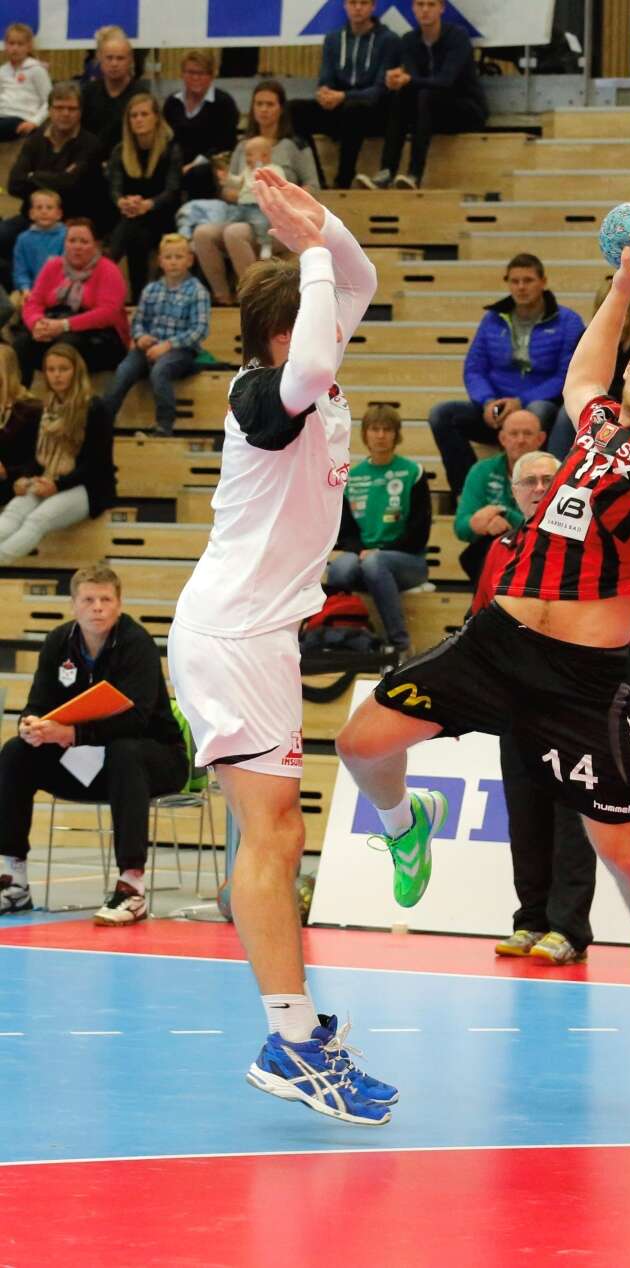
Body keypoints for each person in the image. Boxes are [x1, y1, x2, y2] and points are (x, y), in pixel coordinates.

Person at [333, 240, 630, 1056]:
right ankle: (404, 824)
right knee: (360, 743)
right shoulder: (595, 422)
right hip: (496, 644)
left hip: (579, 679)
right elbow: (580, 377)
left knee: (621, 850)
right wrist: (623, 288)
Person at [168, 172, 394, 1126]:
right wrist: (307, 259)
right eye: (316, 321)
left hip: (259, 637)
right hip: (233, 636)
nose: (336, 332)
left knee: (281, 834)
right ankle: (293, 1042)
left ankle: (296, 1033)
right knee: (273, 837)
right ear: (279, 332)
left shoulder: (317, 383)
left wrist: (322, 226)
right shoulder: (262, 394)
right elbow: (306, 359)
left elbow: (363, 278)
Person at [0, 564, 189, 923]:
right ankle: (14, 881)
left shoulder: (136, 643)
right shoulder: (59, 642)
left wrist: (73, 734)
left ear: (119, 604)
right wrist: (30, 724)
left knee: (125, 751)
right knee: (15, 752)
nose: (97, 607)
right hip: (86, 765)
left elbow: (137, 719)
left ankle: (131, 888)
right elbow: (38, 703)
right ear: (73, 604)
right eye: (88, 600)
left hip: (155, 760)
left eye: (106, 599)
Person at [472, 450, 601, 966]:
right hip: (516, 699)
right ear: (514, 490)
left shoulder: (587, 542)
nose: (540, 488)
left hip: (573, 699)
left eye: (550, 479)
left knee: (572, 816)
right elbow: (480, 619)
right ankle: (531, 920)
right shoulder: (501, 548)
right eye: (530, 481)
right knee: (524, 816)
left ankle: (569, 928)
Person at [427, 253, 583, 494]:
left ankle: (538, 492)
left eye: (528, 280)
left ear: (543, 282)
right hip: (497, 409)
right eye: (515, 281)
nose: (521, 287)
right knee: (441, 414)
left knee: (536, 411)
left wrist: (520, 402)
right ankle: (469, 492)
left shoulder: (568, 321)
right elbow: (474, 368)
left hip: (543, 407)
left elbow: (566, 375)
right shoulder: (492, 319)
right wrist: (487, 401)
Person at [191, 82, 320, 306]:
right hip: (244, 211)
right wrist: (241, 191)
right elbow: (229, 190)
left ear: (281, 108)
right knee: (202, 233)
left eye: (270, 104)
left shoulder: (295, 145)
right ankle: (223, 297)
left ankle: (256, 299)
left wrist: (283, 196)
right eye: (259, 104)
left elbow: (313, 186)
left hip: (279, 220)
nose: (264, 109)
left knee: (234, 233)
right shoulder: (243, 146)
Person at [328, 405, 433, 658]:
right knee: (339, 568)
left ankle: (400, 645)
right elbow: (346, 533)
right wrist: (361, 550)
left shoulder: (413, 472)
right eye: (375, 429)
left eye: (387, 429)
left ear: (397, 435)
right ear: (365, 434)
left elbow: (419, 533)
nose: (381, 435)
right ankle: (345, 638)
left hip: (409, 562)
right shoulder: (353, 477)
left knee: (375, 563)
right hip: (365, 558)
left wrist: (379, 551)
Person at [0, 342, 115, 562]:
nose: (57, 375)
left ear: (76, 371)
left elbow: (96, 464)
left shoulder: (94, 408)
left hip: (86, 487)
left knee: (37, 520)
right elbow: (37, 458)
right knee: (14, 511)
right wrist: (24, 478)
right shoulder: (46, 408)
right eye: (51, 370)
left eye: (63, 369)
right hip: (48, 479)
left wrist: (58, 485)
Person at [363, 0, 489, 191]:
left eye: (431, 4)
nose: (425, 10)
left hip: (466, 110)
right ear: (413, 8)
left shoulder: (457, 37)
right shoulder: (409, 40)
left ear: (441, 8)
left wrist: (408, 80)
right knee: (401, 96)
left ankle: (414, 174)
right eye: (420, 4)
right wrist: (396, 80)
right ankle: (386, 171)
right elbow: (413, 80)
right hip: (428, 114)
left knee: (425, 96)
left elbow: (446, 81)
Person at [101, 235, 209, 436]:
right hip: (149, 347)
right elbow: (138, 321)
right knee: (124, 370)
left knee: (160, 370)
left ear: (189, 260)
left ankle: (164, 425)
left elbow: (199, 330)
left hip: (181, 351)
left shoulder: (197, 291)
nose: (173, 262)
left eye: (179, 257)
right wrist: (140, 337)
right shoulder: (151, 289)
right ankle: (103, 422)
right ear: (160, 261)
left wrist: (168, 345)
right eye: (168, 257)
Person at [292, 0, 401, 190]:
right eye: (353, 2)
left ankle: (343, 179)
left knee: (354, 109)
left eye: (363, 3)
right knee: (294, 110)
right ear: (345, 6)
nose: (358, 7)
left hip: (372, 112)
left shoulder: (388, 39)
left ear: (373, 6)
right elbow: (326, 77)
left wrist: (343, 96)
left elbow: (380, 89)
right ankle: (316, 178)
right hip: (338, 107)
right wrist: (324, 93)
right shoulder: (333, 39)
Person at [3, 83, 108, 267]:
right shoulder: (34, 141)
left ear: (80, 112)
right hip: (33, 218)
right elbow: (14, 184)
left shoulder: (91, 144)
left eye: (71, 108)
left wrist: (32, 176)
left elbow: (70, 184)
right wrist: (57, 178)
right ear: (50, 111)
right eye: (59, 108)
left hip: (72, 221)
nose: (65, 113)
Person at [16, 219, 129, 385]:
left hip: (99, 337)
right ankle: (20, 395)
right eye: (72, 241)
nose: (77, 246)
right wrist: (37, 323)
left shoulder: (108, 269)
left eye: (84, 242)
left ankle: (70, 399)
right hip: (55, 325)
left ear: (96, 245)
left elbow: (108, 313)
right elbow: (34, 302)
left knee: (65, 346)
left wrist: (64, 325)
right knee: (22, 342)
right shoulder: (53, 265)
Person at [548, 281, 630, 458]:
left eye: (622, 305)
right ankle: (558, 468)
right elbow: (577, 380)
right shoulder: (587, 338)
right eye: (609, 306)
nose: (616, 311)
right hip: (596, 400)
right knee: (567, 413)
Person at [453, 406, 545, 582]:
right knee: (477, 555)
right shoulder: (482, 471)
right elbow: (461, 527)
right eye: (514, 434)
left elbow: (545, 532)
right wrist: (480, 523)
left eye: (527, 434)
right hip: (493, 551)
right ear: (503, 439)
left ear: (540, 439)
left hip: (537, 554)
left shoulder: (554, 473)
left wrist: (503, 514)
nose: (520, 440)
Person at [106, 93, 183, 297]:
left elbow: (172, 190)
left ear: (156, 117)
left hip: (163, 216)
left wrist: (148, 204)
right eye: (134, 115)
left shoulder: (171, 149)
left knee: (133, 228)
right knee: (135, 230)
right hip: (132, 215)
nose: (138, 119)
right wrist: (122, 202)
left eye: (144, 114)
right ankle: (138, 295)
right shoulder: (120, 151)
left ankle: (105, 269)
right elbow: (114, 188)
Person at [162, 51, 241, 201]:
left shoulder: (223, 103)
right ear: (182, 74)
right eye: (190, 72)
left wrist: (193, 164)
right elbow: (165, 139)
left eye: (201, 73)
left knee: (198, 174)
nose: (195, 78)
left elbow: (226, 144)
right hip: (176, 162)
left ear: (211, 76)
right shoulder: (172, 102)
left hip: (210, 165)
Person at [2, 188, 64, 332]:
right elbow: (20, 270)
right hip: (30, 289)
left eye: (49, 208)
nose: (44, 212)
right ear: (31, 213)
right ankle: (9, 335)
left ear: (59, 214)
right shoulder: (23, 239)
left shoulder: (66, 236)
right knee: (11, 305)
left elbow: (67, 270)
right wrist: (25, 289)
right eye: (39, 208)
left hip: (58, 290)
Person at [80, 27, 149, 153]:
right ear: (100, 58)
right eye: (109, 58)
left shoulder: (141, 96)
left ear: (130, 60)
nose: (114, 64)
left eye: (120, 58)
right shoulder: (87, 93)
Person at [0, 22, 49, 142]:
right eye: (11, 43)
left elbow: (49, 101)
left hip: (23, 119)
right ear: (5, 45)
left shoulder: (36, 69)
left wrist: (34, 122)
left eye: (20, 44)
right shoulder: (2, 71)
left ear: (29, 46)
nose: (15, 48)